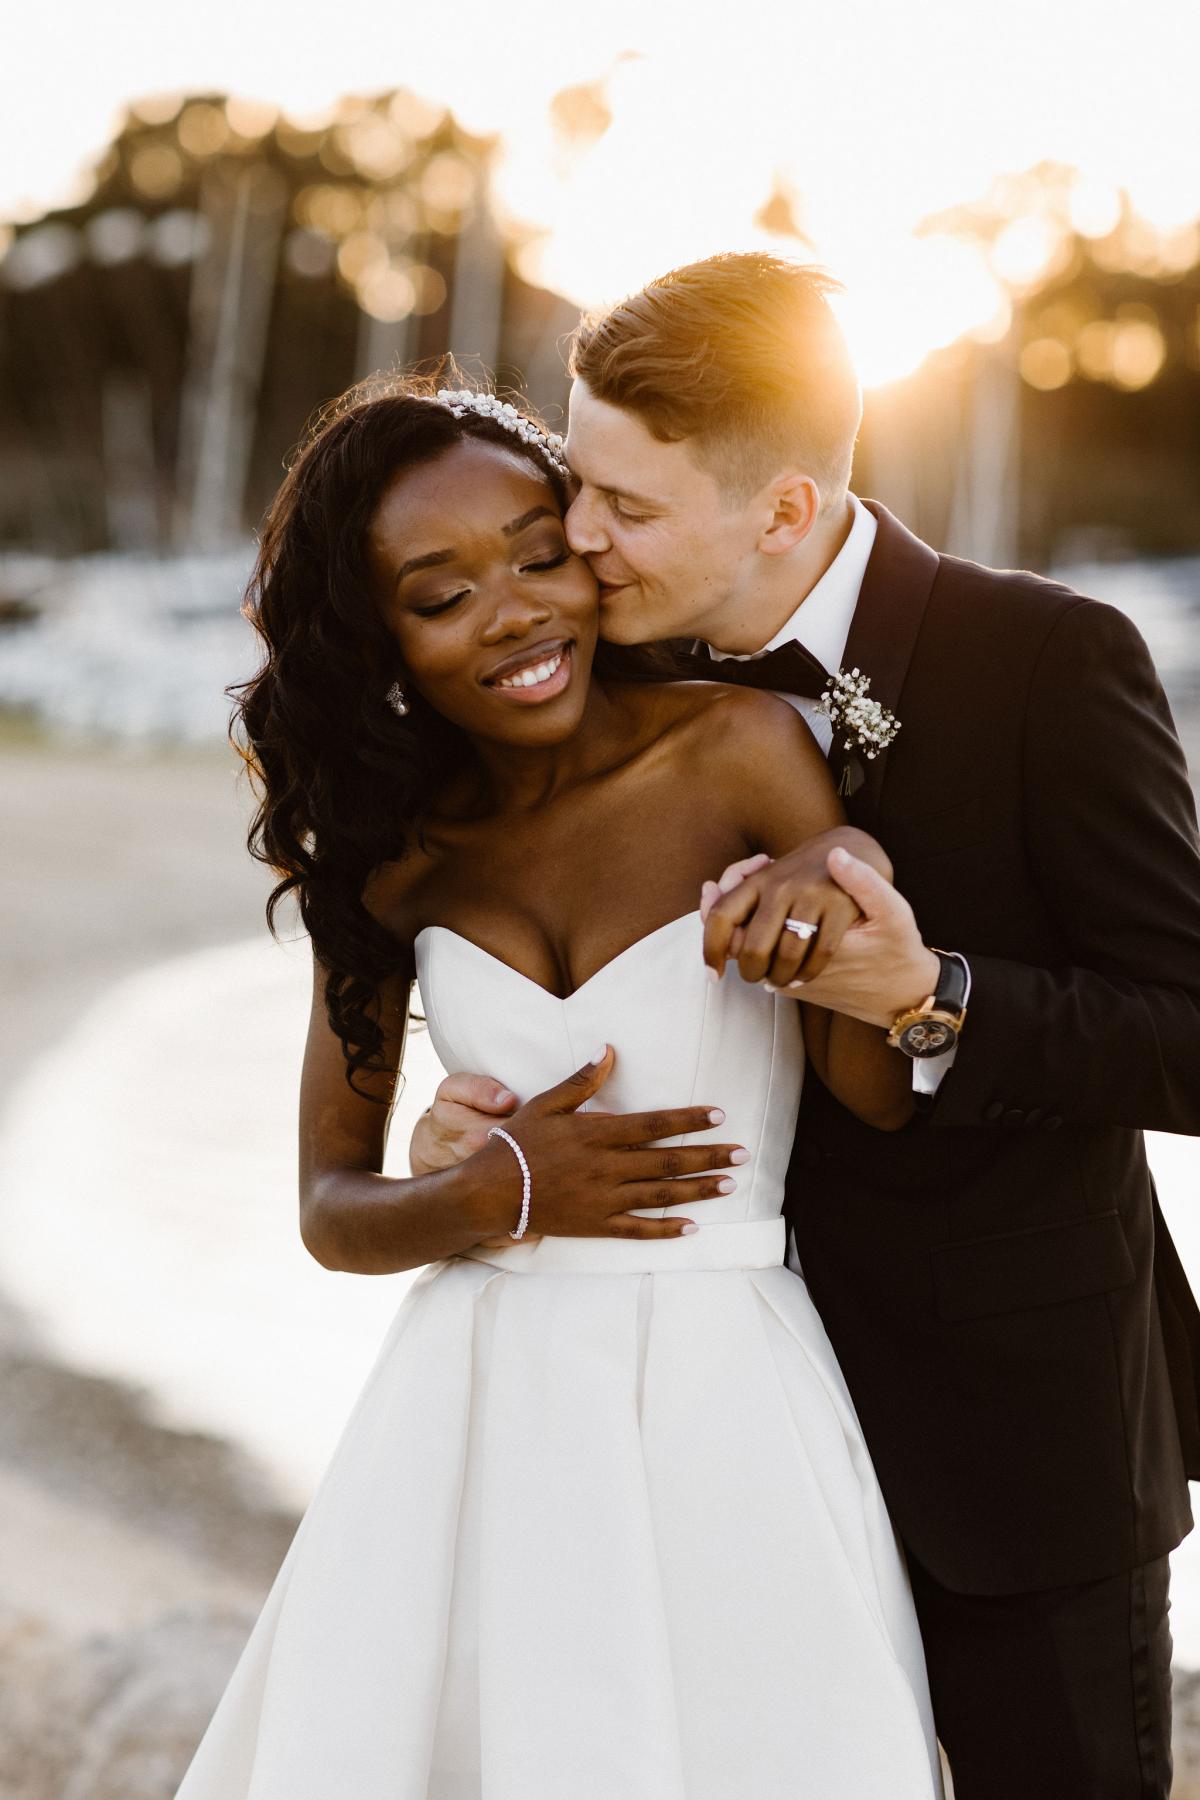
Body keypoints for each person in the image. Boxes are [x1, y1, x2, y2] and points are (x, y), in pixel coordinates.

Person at [413, 254, 1200, 1799]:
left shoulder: (1047, 661)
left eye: (626, 510)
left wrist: (934, 999)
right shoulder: (599, 671)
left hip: (1012, 1457)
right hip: (706, 1447)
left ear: (779, 509)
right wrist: (464, 1121)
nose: (578, 538)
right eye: (580, 484)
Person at [174, 375, 943, 1799]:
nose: (517, 612)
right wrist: (492, 1190)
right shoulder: (396, 864)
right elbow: (334, 1210)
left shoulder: (745, 750)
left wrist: (849, 891)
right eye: (442, 591)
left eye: (540, 555)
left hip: (726, 1380)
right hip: (477, 1404)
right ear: (381, 635)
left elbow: (876, 1094)